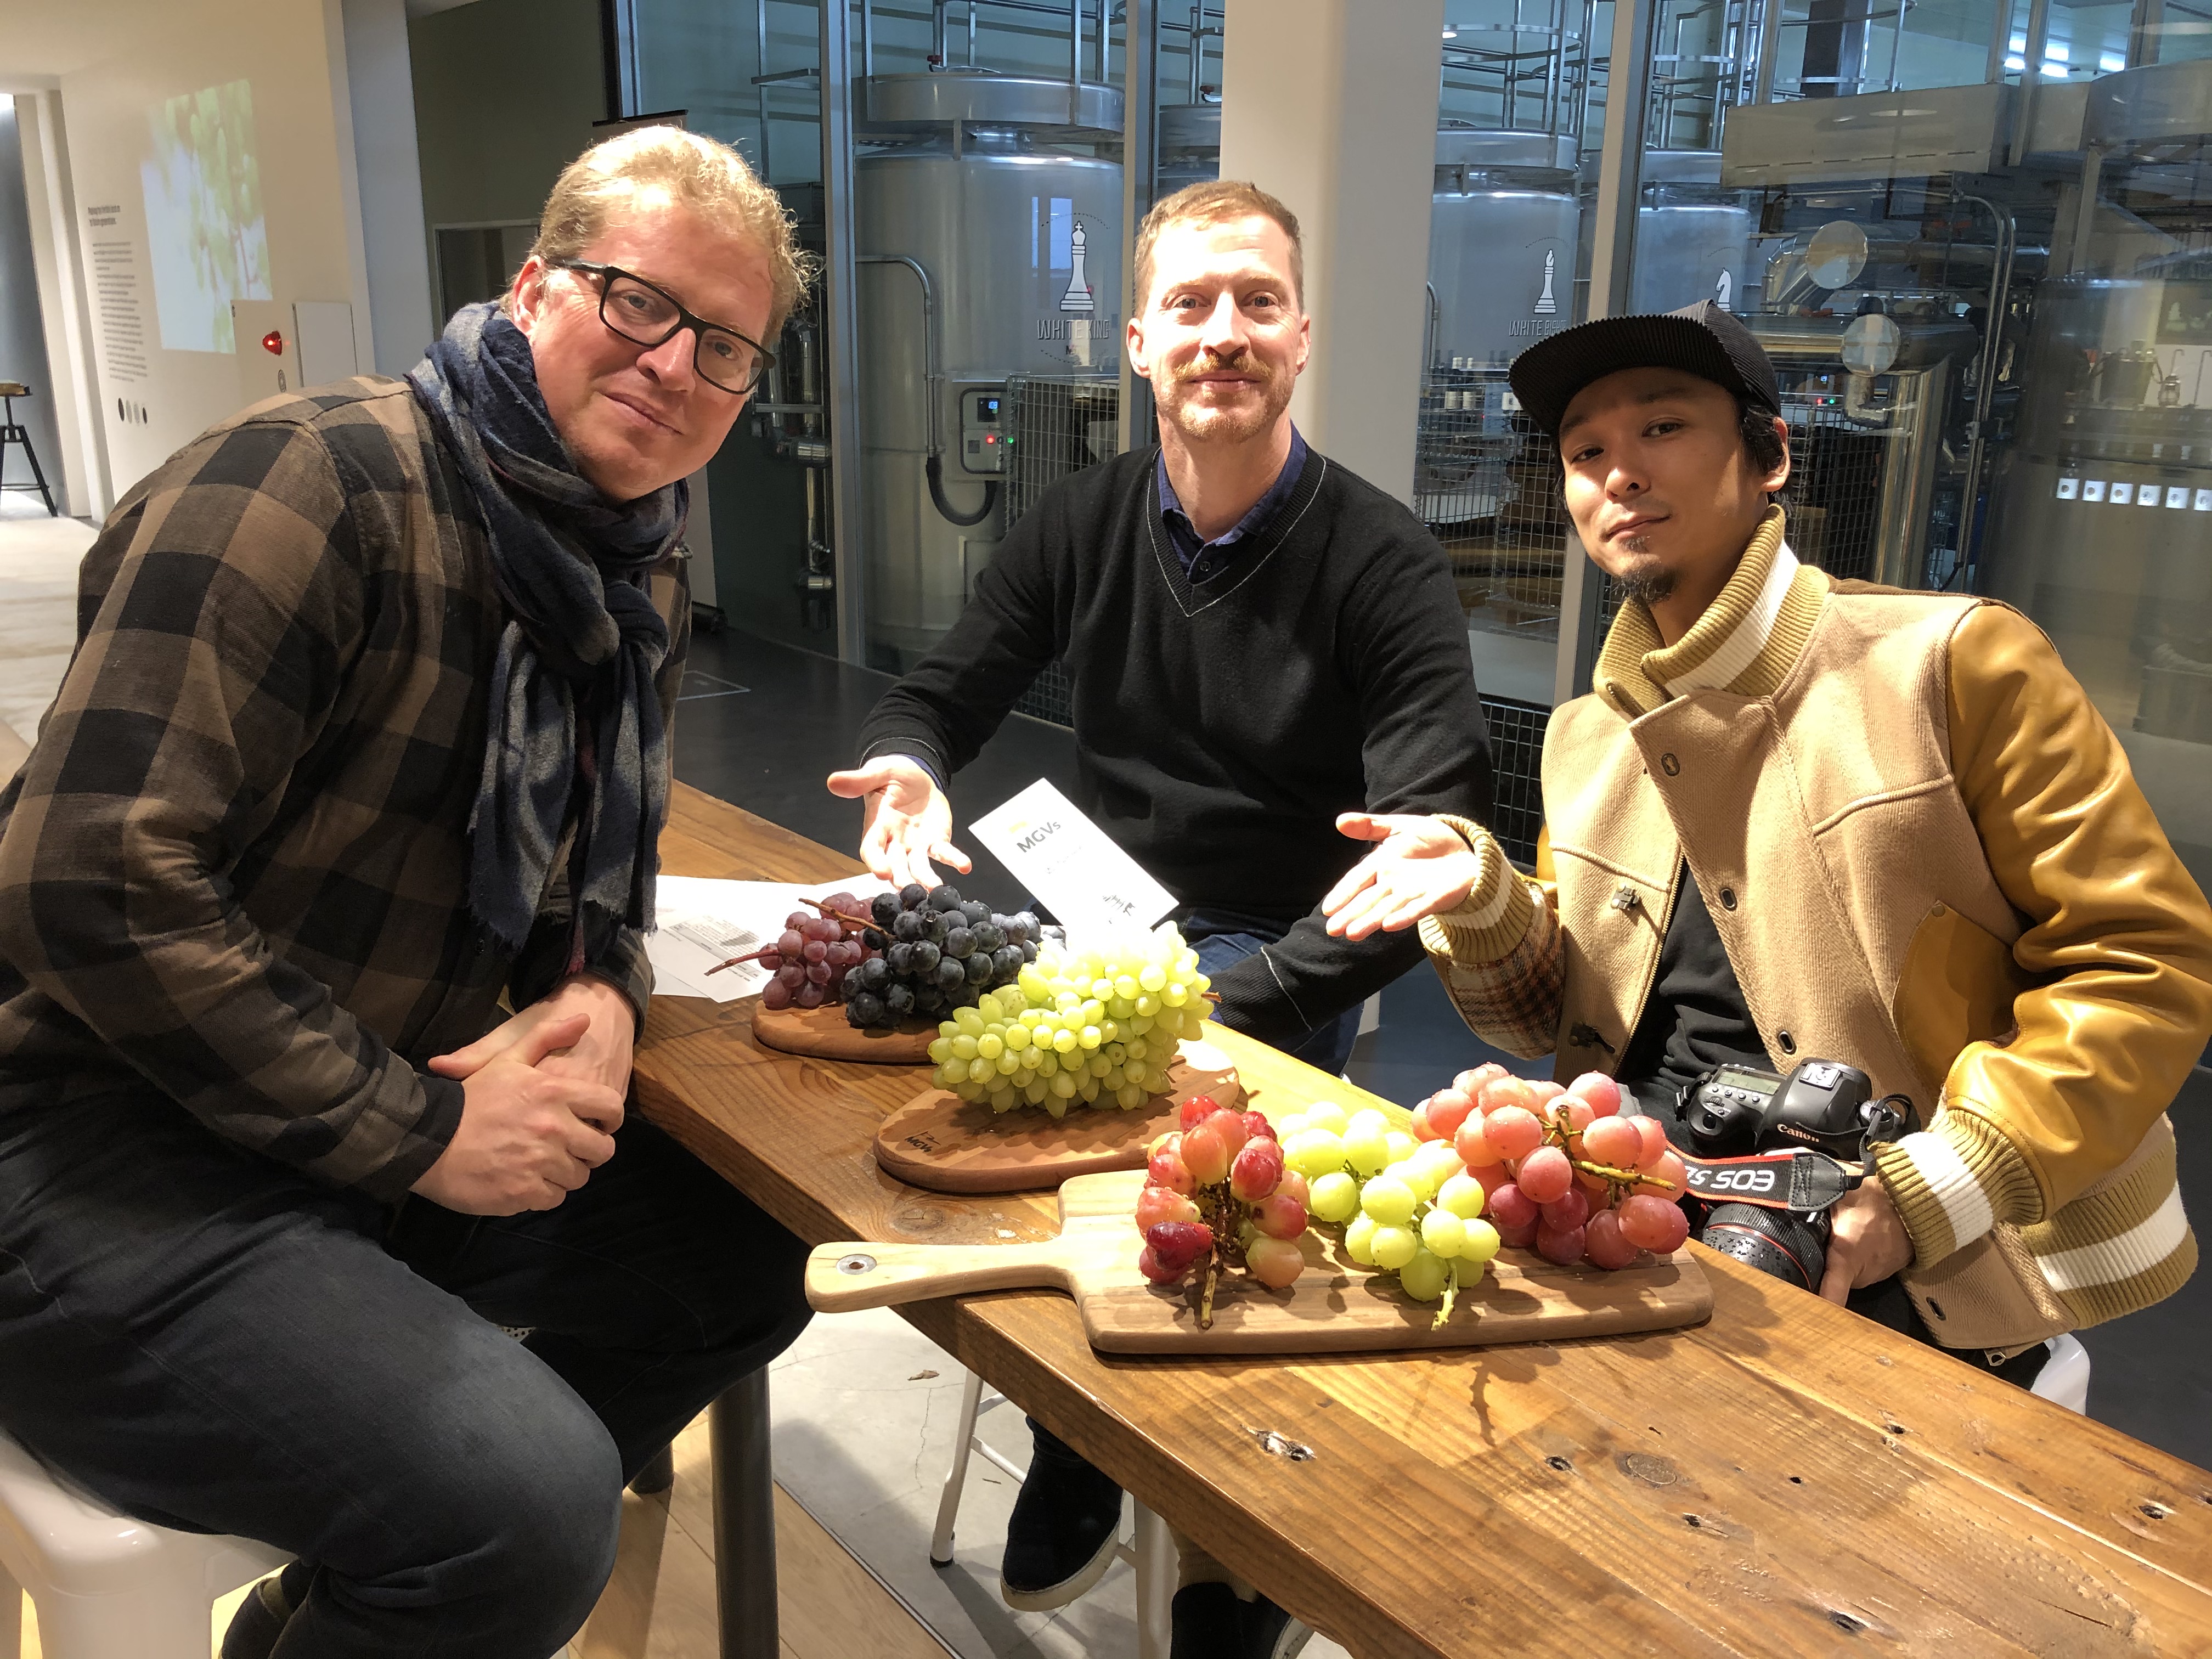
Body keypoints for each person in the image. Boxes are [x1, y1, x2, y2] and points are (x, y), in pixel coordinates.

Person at [0, 127, 814, 1659]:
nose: (673, 365)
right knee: (528, 1508)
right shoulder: (311, 481)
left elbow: (593, 873)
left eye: (724, 346)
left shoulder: (630, 565)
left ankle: (341, 1614)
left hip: (350, 1126)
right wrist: (420, 1131)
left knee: (742, 1263)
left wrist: (602, 989)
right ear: (536, 285)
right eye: (638, 302)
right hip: (89, 1146)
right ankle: (434, 1571)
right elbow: (87, 879)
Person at [827, 180, 1494, 1657]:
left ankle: (1202, 1525)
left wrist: (1224, 1007)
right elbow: (940, 694)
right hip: (1105, 923)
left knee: (1181, 1175)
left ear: (1302, 336)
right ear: (1137, 341)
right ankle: (1095, 1424)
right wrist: (912, 764)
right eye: (1190, 304)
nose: (1224, 333)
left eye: (1258, 301)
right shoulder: (1084, 520)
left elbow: (1425, 858)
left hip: (1284, 946)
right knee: (1000, 1136)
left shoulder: (1383, 560)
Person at [1323, 300, 2212, 1375]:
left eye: (1662, 428)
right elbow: (1539, 1022)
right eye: (1585, 451)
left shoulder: (1954, 664)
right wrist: (1483, 898)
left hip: (1913, 1248)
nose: (1620, 472)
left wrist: (1933, 1189)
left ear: (1771, 456)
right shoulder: (1587, 737)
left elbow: (2143, 962)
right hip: (1639, 1211)